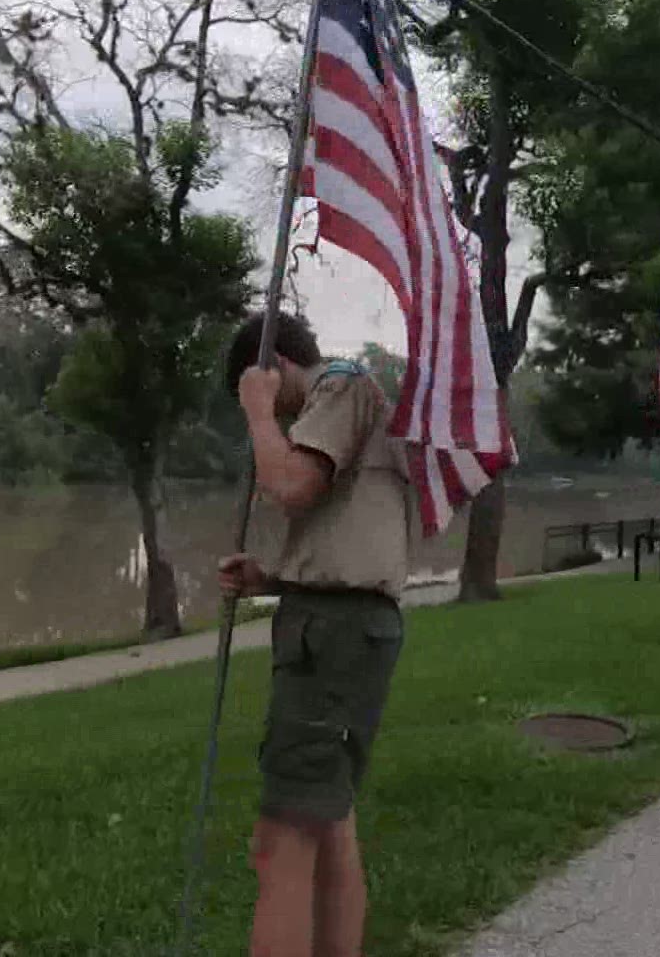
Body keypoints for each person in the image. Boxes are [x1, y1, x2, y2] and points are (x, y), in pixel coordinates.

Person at [217, 312, 410, 957]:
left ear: (276, 368)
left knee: (281, 843)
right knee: (330, 826)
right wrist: (271, 577)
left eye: (263, 383)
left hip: (332, 637)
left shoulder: (341, 386)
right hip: (340, 626)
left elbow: (292, 486)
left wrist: (258, 412)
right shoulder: (354, 398)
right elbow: (346, 538)